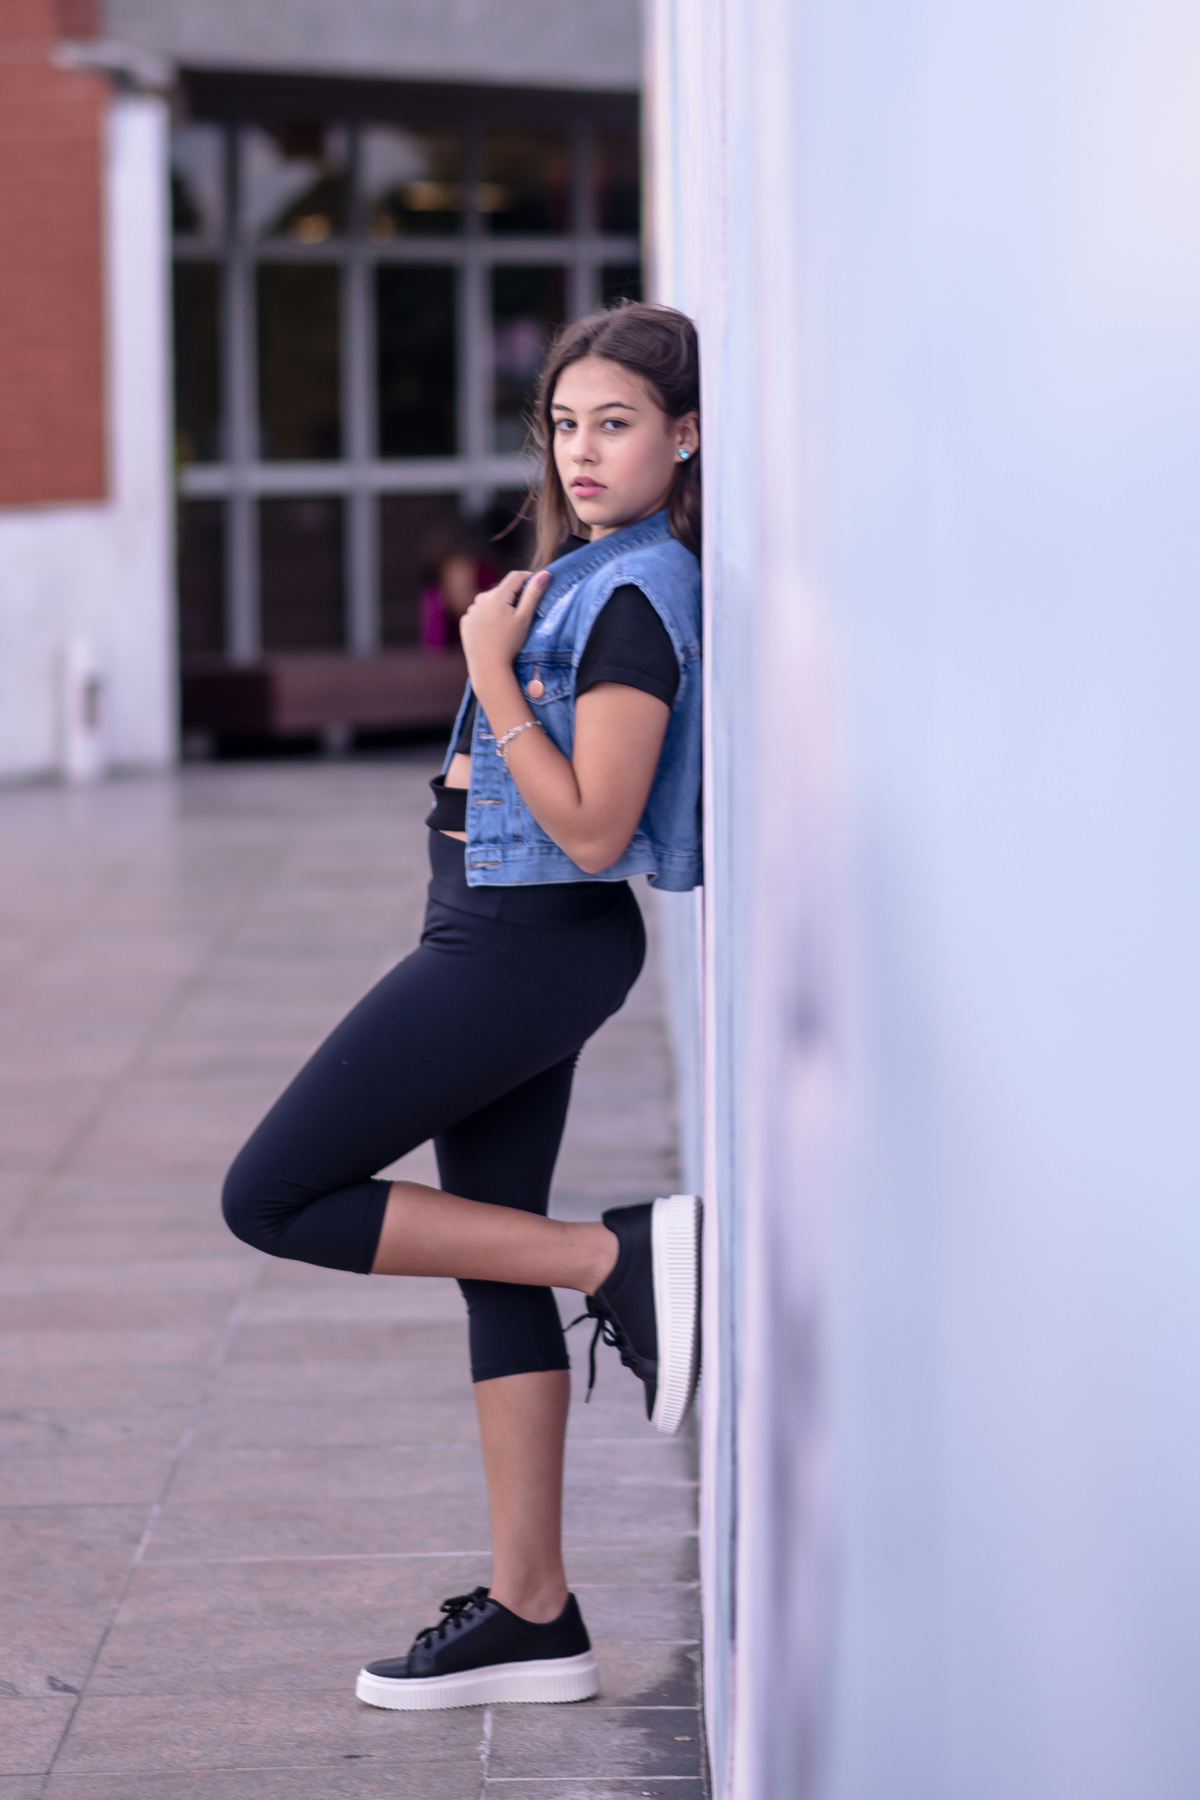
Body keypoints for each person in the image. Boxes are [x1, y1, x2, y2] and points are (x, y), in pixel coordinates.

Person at [222, 300, 704, 1712]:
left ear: (686, 434)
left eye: (616, 423)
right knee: (490, 1261)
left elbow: (598, 824)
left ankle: (616, 1262)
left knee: (277, 1195)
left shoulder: (633, 597)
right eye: (564, 424)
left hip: (522, 944)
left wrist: (487, 670)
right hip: (496, 930)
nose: (582, 452)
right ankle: (533, 1609)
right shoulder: (593, 569)